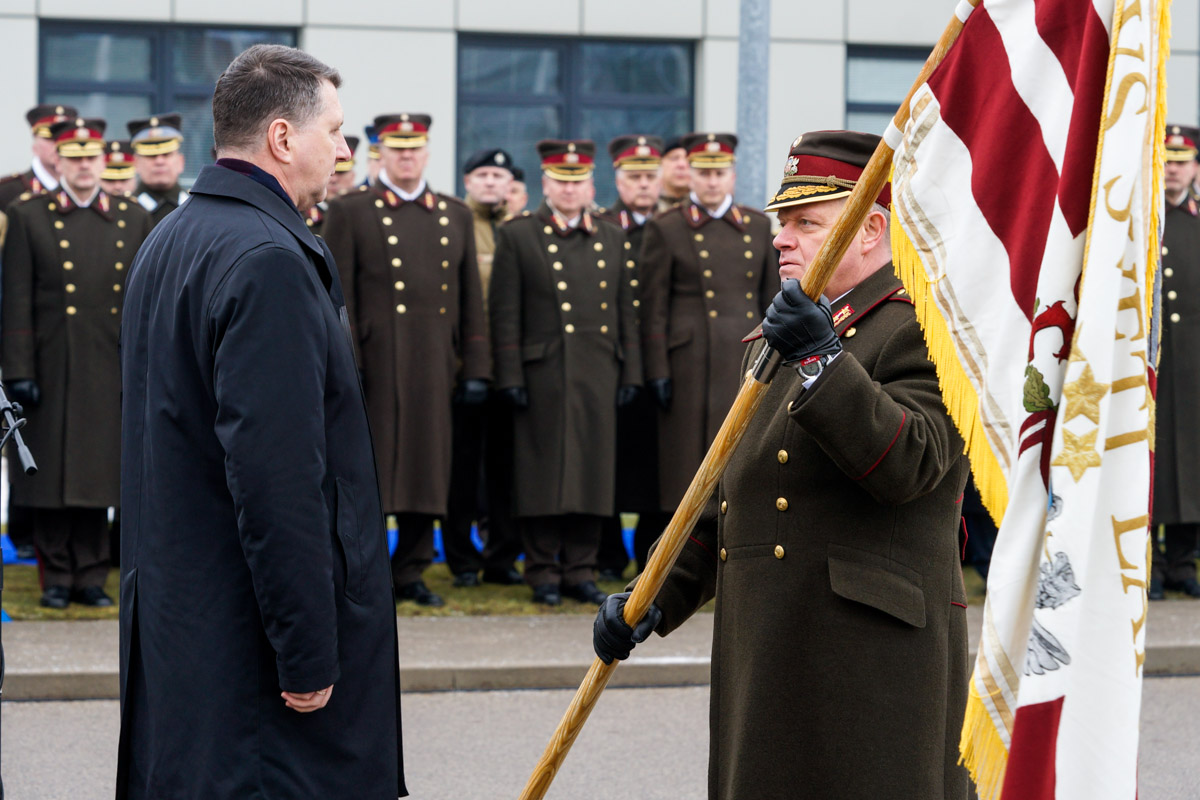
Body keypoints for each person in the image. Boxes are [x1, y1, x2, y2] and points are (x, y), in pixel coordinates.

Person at [594, 131, 971, 799]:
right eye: (780, 222)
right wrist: (653, 593)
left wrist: (825, 360)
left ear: (870, 229)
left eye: (806, 222)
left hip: (864, 666)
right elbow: (731, 498)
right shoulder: (783, 339)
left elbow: (910, 463)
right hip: (770, 655)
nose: (781, 238)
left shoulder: (923, 327)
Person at [117, 44, 405, 798]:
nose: (346, 151)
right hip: (254, 668)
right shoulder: (266, 258)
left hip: (187, 636)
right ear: (282, 138)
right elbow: (277, 478)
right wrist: (308, 650)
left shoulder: (172, 238)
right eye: (336, 131)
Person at [324, 113, 490, 607]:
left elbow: (470, 301)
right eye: (396, 149)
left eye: (414, 148)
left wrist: (477, 366)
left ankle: (412, 569)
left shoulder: (453, 214)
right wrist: (342, 356)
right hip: (373, 360)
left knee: (424, 468)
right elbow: (336, 293)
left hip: (434, 361)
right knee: (367, 469)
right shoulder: (352, 210)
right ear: (381, 153)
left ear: (427, 152)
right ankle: (364, 569)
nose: (406, 157)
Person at [2, 118, 152, 609]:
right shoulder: (29, 216)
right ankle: (56, 578)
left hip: (111, 361)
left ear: (104, 162)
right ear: (58, 161)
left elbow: (146, 300)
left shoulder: (132, 217)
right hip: (52, 361)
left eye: (92, 158)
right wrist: (19, 369)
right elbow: (17, 298)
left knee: (98, 473)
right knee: (50, 477)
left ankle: (91, 575)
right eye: (75, 157)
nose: (85, 167)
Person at [490, 139, 642, 606]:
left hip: (598, 369)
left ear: (590, 185)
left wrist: (631, 372)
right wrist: (510, 376)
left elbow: (625, 312)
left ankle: (581, 569)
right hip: (543, 373)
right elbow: (505, 313)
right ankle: (543, 572)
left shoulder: (612, 236)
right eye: (561, 182)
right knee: (541, 474)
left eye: (578, 182)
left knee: (592, 473)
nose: (570, 190)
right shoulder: (519, 235)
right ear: (545, 184)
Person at [638, 132, 778, 544]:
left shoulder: (755, 225)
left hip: (746, 355)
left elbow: (771, 301)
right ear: (690, 176)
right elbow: (653, 306)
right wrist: (657, 368)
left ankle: (739, 541)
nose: (712, 181)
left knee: (741, 455)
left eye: (720, 173)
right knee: (685, 463)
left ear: (732, 176)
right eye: (704, 173)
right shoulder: (666, 227)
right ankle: (679, 552)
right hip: (688, 361)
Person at [443, 147, 523, 587]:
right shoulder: (455, 223)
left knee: (506, 469)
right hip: (464, 367)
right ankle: (461, 558)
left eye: (500, 175)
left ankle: (502, 557)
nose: (491, 182)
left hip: (509, 366)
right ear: (468, 181)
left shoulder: (522, 229)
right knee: (462, 467)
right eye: (483, 174)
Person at [596, 134, 666, 577]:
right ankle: (606, 554)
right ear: (617, 181)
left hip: (661, 361)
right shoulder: (601, 225)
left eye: (649, 177)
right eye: (633, 177)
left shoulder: (675, 226)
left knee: (655, 463)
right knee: (607, 461)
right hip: (613, 359)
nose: (642, 185)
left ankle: (649, 550)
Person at [1151, 125, 1200, 600]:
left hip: (1194, 366)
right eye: (1167, 159)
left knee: (1192, 464)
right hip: (1152, 362)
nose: (1173, 168)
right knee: (1154, 463)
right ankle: (1150, 566)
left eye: (1181, 160)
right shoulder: (1141, 220)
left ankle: (1184, 564)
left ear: (1195, 167)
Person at [0, 104, 76, 210]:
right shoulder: (6, 192)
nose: (57, 146)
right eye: (50, 138)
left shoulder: (84, 191)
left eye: (64, 139)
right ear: (35, 145)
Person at [128, 113, 188, 226]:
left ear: (181, 162)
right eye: (151, 156)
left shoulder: (193, 206)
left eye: (166, 154)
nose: (159, 161)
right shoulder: (124, 212)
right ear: (136, 163)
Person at [305, 134, 358, 236]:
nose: (333, 179)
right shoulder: (302, 214)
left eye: (341, 173)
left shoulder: (363, 213)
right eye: (329, 172)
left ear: (352, 176)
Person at [657, 135, 690, 210]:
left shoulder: (705, 206)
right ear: (660, 164)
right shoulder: (649, 206)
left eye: (688, 159)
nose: (682, 165)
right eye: (674, 158)